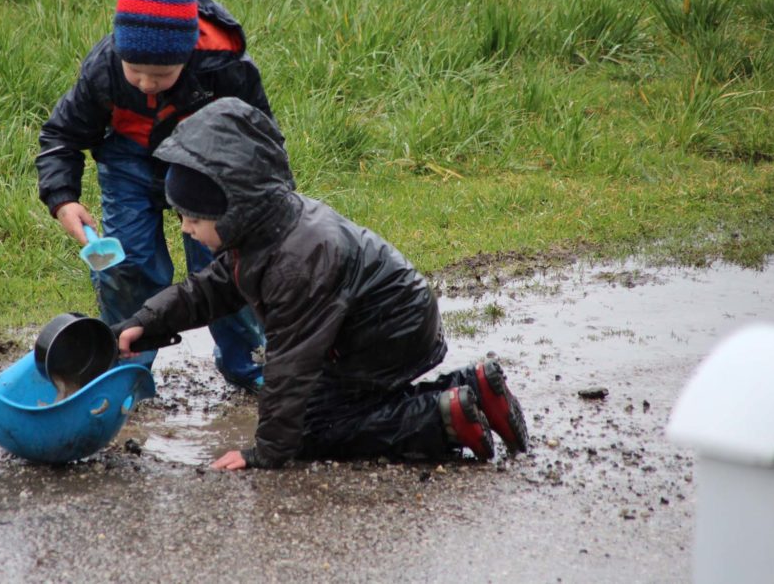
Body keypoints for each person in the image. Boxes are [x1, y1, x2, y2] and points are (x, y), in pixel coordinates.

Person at [114, 97, 529, 470]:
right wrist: (148, 322)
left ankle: (441, 419)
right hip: (376, 327)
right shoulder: (265, 229)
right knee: (330, 407)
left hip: (389, 335)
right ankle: (471, 389)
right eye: (181, 216)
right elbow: (209, 290)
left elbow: (290, 364)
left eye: (194, 218)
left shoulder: (298, 263)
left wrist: (269, 451)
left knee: (315, 429)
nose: (185, 228)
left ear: (235, 209)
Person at [36, 0, 280, 394]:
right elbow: (61, 135)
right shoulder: (105, 68)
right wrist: (63, 199)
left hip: (203, 166)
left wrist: (265, 205)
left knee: (225, 267)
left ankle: (249, 365)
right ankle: (128, 376)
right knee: (128, 266)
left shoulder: (223, 65)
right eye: (137, 72)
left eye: (162, 75)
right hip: (128, 163)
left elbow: (259, 135)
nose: (147, 84)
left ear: (186, 57)